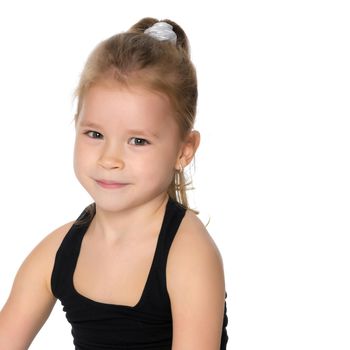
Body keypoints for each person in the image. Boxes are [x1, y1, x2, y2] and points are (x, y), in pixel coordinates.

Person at [0, 17, 228, 349]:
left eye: (137, 141)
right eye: (95, 134)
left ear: (184, 150)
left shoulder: (190, 255)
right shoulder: (56, 252)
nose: (110, 159)